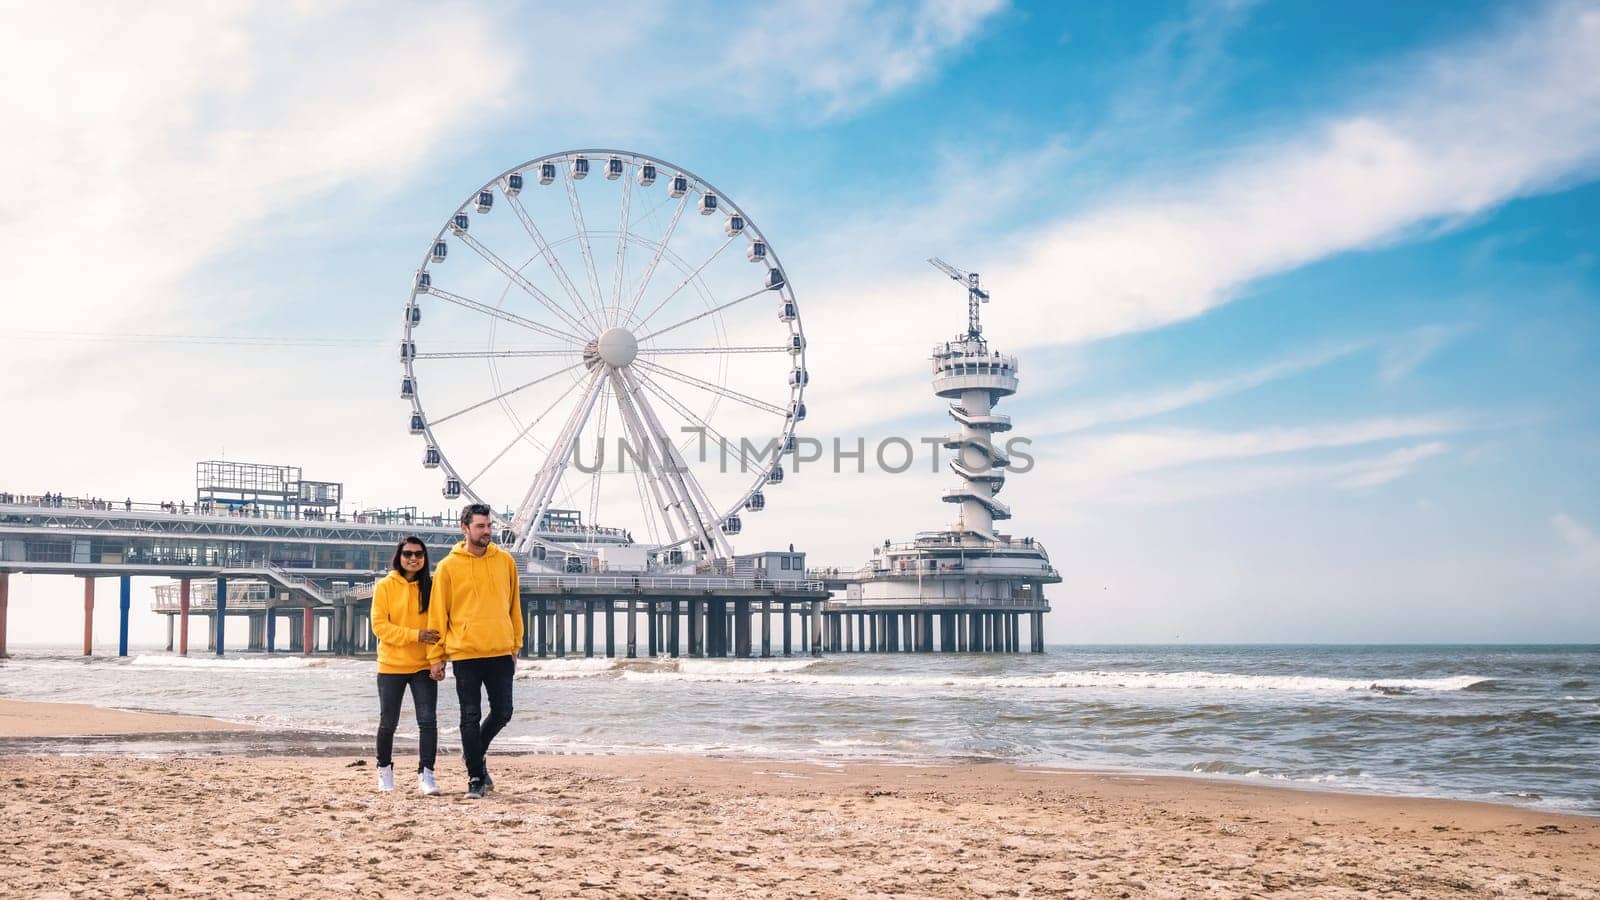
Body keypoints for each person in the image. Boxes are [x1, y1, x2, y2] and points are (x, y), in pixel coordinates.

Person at [428, 503, 521, 799]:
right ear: (465, 528)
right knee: (469, 715)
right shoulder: (447, 567)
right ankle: (475, 778)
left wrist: (515, 643)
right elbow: (437, 614)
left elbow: (514, 605)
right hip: (465, 653)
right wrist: (436, 656)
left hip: (500, 650)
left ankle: (474, 753)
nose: (487, 531)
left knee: (503, 712)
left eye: (489, 525)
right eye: (480, 526)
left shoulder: (505, 561)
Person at [371, 536, 443, 795]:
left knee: (428, 721)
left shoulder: (432, 587)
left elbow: (437, 628)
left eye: (419, 554)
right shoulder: (384, 587)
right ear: (399, 557)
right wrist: (415, 635)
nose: (413, 558)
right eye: (408, 554)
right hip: (391, 665)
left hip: (423, 666)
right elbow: (380, 626)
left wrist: (438, 659)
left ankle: (427, 775)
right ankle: (384, 772)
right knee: (388, 722)